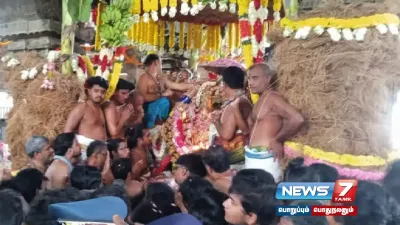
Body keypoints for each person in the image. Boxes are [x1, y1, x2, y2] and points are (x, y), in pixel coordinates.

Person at [247, 64, 305, 180]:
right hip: (253, 156)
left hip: (266, 159)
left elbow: (297, 119)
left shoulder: (272, 98)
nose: (251, 82)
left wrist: (278, 139)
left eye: (255, 78)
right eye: (249, 78)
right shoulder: (261, 98)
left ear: (268, 78)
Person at [137, 54, 195, 128]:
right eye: (160, 63)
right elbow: (143, 97)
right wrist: (161, 95)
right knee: (164, 101)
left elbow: (174, 87)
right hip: (147, 112)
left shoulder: (160, 77)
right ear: (156, 62)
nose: (161, 66)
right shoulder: (144, 77)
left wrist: (193, 86)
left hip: (160, 117)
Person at [211, 66, 253, 164]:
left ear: (225, 85)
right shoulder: (244, 98)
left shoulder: (235, 104)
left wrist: (216, 121)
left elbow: (226, 135)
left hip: (235, 157)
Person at [64, 76, 109, 158]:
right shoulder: (82, 107)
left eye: (103, 92)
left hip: (101, 150)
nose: (99, 94)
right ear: (88, 91)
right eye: (96, 91)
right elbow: (67, 130)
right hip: (84, 150)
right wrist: (74, 148)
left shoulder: (100, 108)